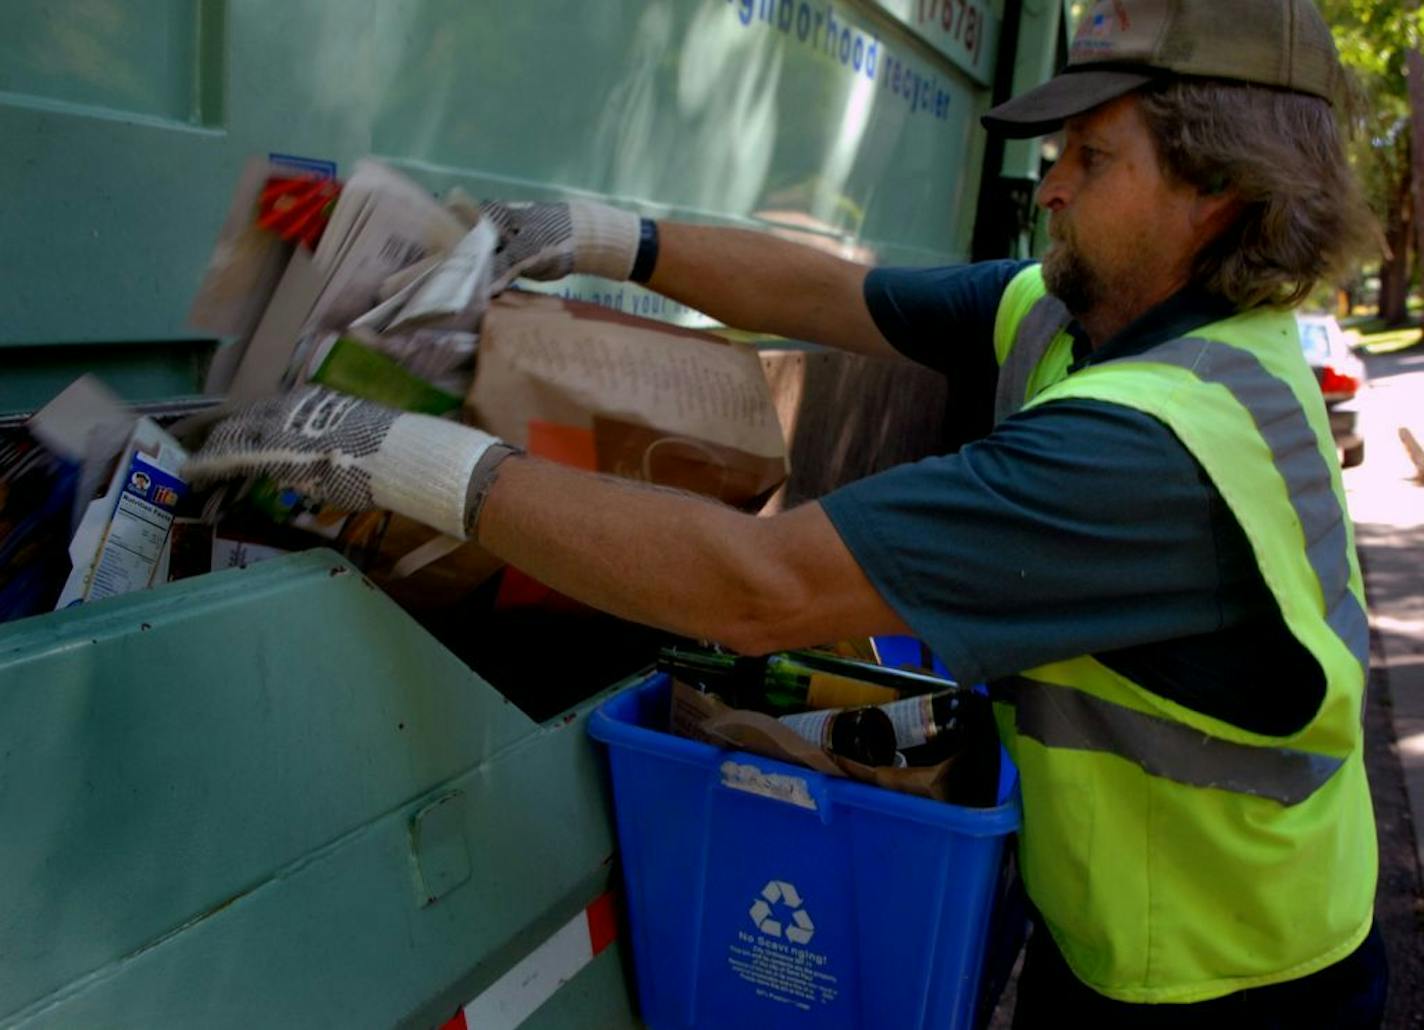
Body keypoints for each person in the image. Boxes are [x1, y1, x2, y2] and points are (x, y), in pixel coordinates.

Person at [186, 0, 1389, 1023]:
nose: (1050, 188)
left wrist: (392, 453)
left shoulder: (1148, 453)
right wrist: (604, 239)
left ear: (1223, 192)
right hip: (1119, 926)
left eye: (1093, 157)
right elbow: (839, 296)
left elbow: (754, 588)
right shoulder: (1087, 311)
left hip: (1232, 980)